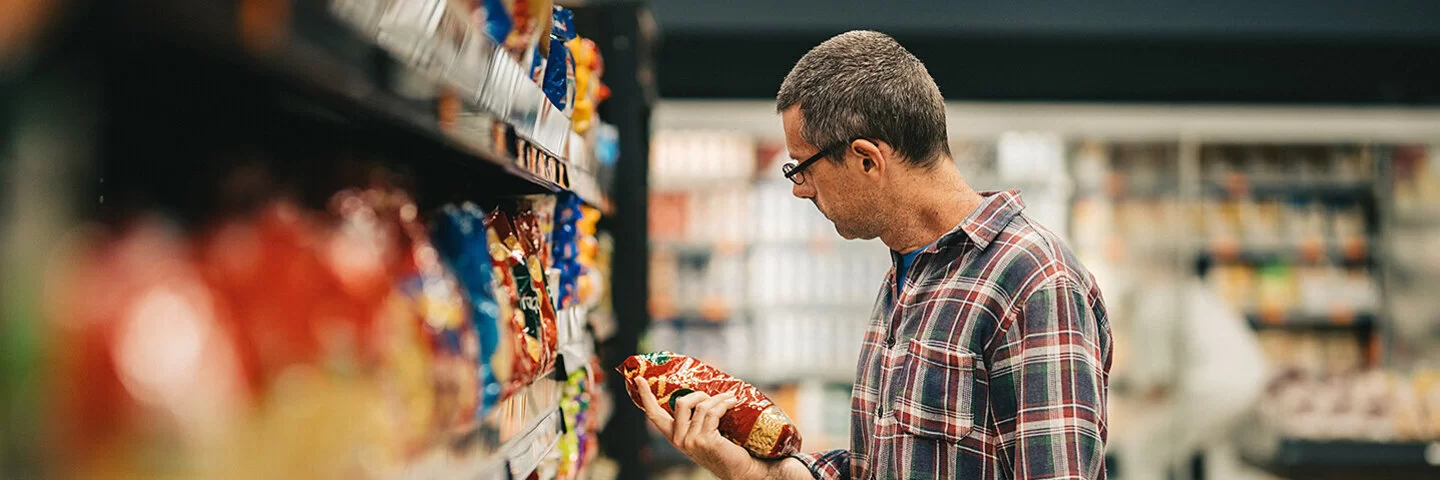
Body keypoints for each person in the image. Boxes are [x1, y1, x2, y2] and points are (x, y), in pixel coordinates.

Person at [632, 30, 1113, 479]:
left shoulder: (1032, 282)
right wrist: (749, 468)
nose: (800, 190)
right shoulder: (910, 274)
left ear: (867, 159)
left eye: (802, 167)